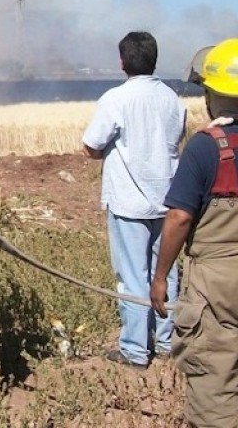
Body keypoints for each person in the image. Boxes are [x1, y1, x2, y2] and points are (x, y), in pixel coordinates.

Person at [82, 31, 186, 369]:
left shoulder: (116, 98)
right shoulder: (173, 98)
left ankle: (135, 351)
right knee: (167, 273)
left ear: (122, 61)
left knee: (132, 276)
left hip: (128, 202)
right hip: (169, 201)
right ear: (154, 59)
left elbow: (92, 145)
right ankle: (167, 342)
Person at [151, 38, 238, 427]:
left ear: (211, 95)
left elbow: (180, 218)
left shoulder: (206, 148)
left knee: (214, 378)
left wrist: (159, 277)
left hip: (216, 282)